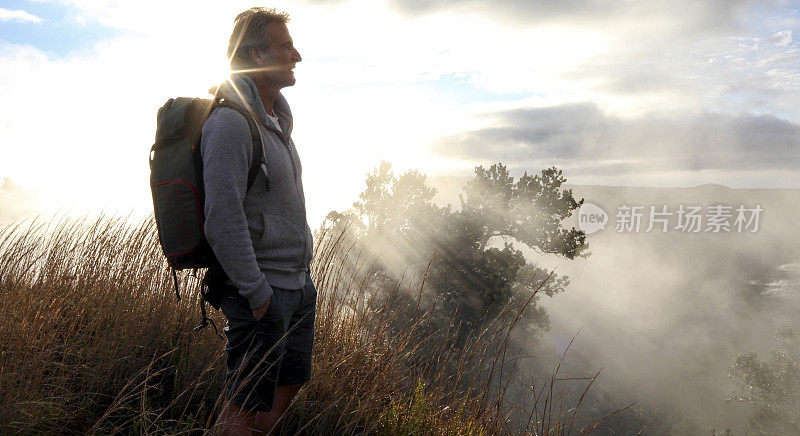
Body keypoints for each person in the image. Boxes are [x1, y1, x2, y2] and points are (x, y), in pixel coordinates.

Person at [200, 7, 315, 435]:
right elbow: (222, 216)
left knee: (287, 388)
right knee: (241, 409)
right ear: (257, 54)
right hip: (263, 290)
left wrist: (301, 282)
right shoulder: (231, 122)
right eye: (285, 46)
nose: (297, 55)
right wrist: (257, 293)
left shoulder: (277, 123)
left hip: (297, 285)